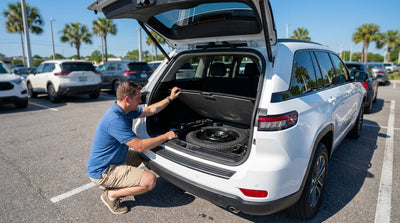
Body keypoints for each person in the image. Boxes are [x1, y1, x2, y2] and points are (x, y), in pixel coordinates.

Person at [87, 81, 181, 214]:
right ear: (127, 99)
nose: (141, 100)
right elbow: (140, 146)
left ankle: (114, 183)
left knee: (141, 157)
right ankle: (111, 195)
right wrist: (166, 136)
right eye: (138, 98)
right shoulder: (115, 120)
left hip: (113, 161)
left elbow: (149, 110)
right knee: (150, 180)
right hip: (103, 170)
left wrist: (170, 98)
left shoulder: (124, 110)